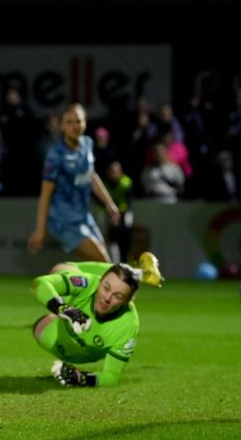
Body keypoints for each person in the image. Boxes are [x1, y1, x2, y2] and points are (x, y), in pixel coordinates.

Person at [30, 255, 162, 388]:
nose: (107, 298)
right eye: (106, 288)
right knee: (60, 269)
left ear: (127, 301)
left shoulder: (128, 326)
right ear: (100, 281)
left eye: (118, 296)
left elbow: (111, 376)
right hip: (57, 335)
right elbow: (39, 283)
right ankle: (138, 272)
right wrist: (64, 309)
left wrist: (82, 378)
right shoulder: (89, 283)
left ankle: (137, 273)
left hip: (84, 355)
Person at [27, 103, 120, 263]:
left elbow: (91, 176)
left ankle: (74, 284)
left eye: (78, 121)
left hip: (84, 216)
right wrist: (40, 230)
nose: (74, 126)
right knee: (104, 262)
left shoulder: (87, 144)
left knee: (100, 265)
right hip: (63, 221)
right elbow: (45, 194)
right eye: (69, 122)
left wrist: (109, 203)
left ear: (85, 123)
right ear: (62, 126)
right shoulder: (56, 155)